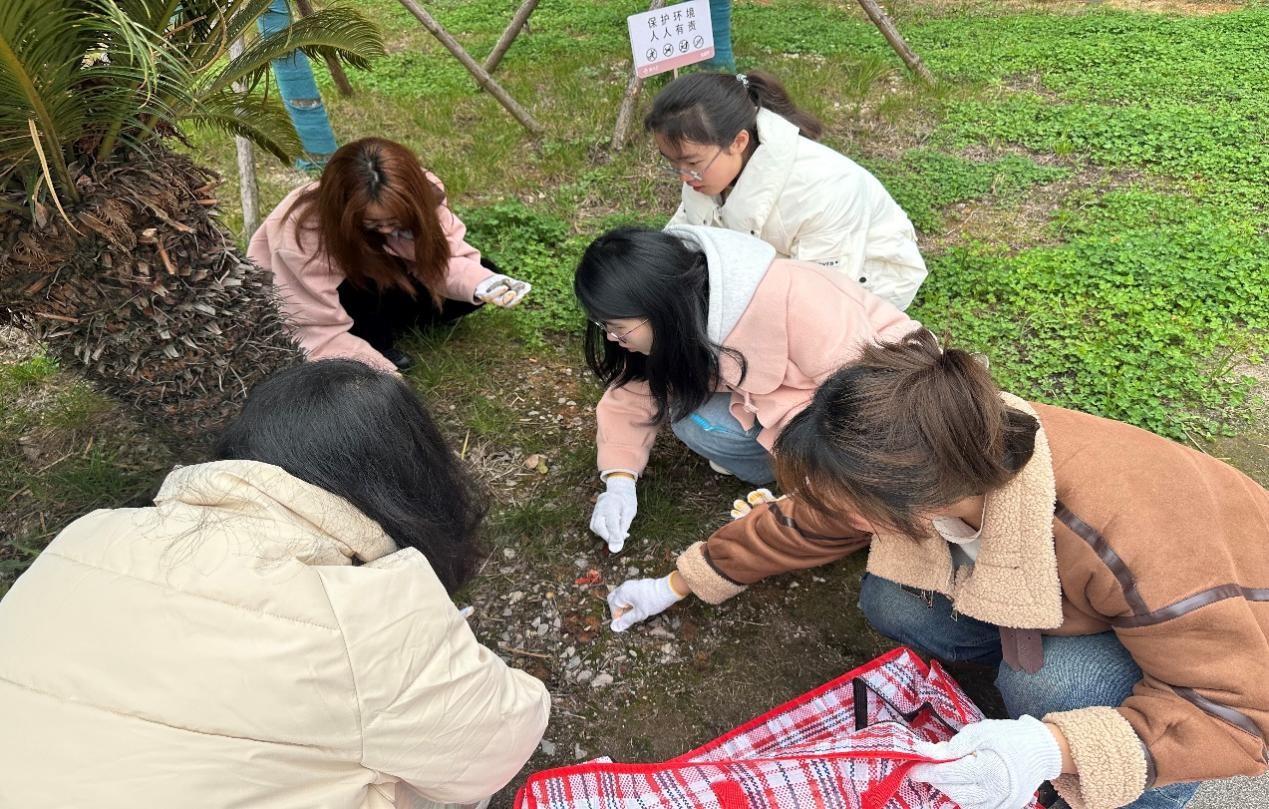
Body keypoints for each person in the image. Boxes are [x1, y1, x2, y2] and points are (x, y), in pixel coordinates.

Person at [605, 328, 1269, 809]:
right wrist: (680, 581)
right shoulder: (934, 449)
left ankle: (1136, 792)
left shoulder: (1128, 537)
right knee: (892, 599)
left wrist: (1053, 750)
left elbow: (1236, 715)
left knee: (1046, 683)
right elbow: (809, 518)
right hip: (1080, 601)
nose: (833, 511)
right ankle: (1019, 681)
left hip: (1231, 639)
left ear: (916, 500)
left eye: (852, 505)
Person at [0, 360, 550, 808]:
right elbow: (496, 746)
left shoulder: (89, 531)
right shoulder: (367, 616)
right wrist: (443, 648)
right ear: (411, 480)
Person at [577, 224, 919, 554]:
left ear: (659, 308)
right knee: (690, 420)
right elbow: (632, 394)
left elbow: (866, 403)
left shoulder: (800, 301)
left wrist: (826, 490)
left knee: (853, 498)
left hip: (891, 407)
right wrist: (619, 481)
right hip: (791, 413)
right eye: (603, 325)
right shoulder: (683, 316)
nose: (611, 338)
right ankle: (795, 479)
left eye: (617, 327)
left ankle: (827, 492)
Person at [646, 70, 928, 311]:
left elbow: (821, 300)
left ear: (738, 142)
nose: (683, 176)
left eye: (692, 163)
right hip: (776, 270)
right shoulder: (707, 173)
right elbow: (683, 237)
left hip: (866, 281)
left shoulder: (823, 188)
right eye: (673, 163)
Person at [248, 137, 532, 373]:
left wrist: (482, 283)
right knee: (361, 293)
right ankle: (374, 341)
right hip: (329, 293)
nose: (386, 229)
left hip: (385, 275)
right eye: (373, 223)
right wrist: (377, 369)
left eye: (395, 221)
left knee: (482, 278)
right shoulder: (303, 230)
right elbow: (313, 324)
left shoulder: (423, 192)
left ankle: (378, 326)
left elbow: (443, 257)